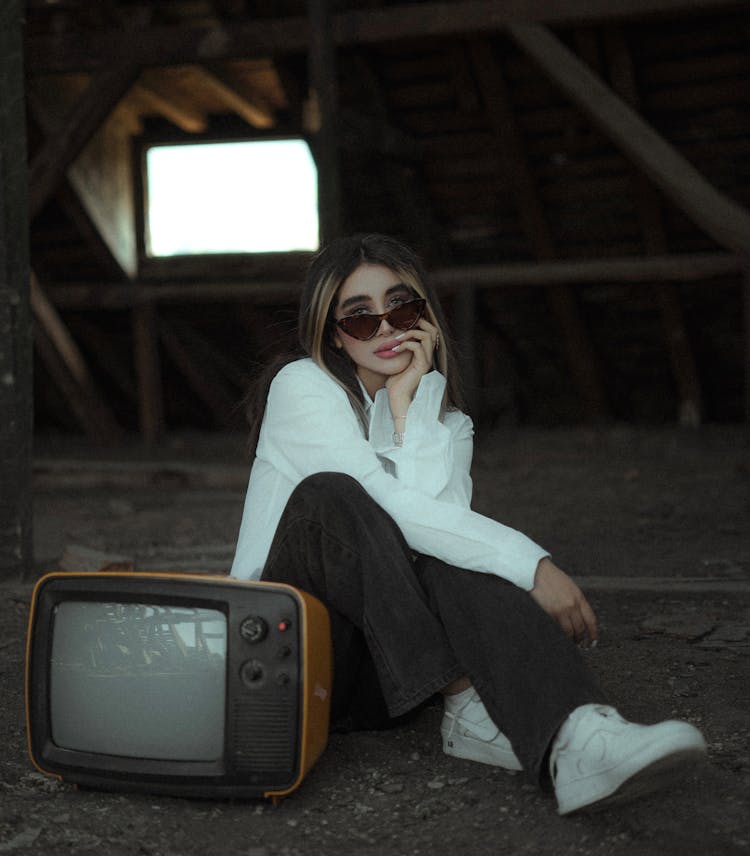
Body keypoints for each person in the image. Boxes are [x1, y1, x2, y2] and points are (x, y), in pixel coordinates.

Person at [230, 232, 706, 815]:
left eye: (401, 307)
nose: (385, 328)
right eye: (359, 318)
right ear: (333, 333)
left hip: (383, 683)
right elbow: (390, 507)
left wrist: (410, 409)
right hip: (285, 657)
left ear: (424, 315)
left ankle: (579, 738)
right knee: (334, 496)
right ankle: (469, 696)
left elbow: (440, 533)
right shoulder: (303, 386)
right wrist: (530, 564)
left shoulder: (448, 423)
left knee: (450, 538)